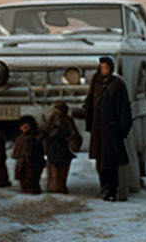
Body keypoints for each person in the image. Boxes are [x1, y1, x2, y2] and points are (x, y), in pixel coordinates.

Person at [83, 55, 132, 201]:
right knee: (100, 161)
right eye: (102, 67)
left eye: (106, 67)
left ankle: (112, 189)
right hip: (99, 129)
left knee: (111, 162)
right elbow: (91, 99)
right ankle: (104, 187)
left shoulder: (118, 84)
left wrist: (122, 127)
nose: (104, 70)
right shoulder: (96, 82)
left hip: (112, 130)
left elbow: (124, 107)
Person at [44, 101, 81, 193]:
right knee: (58, 171)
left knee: (56, 171)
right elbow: (74, 133)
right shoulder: (66, 120)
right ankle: (58, 188)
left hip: (59, 148)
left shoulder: (55, 119)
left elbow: (47, 132)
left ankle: (56, 188)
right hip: (59, 148)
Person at [13, 117, 45, 194]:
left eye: (25, 126)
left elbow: (38, 153)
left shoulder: (35, 138)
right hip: (23, 165)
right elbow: (16, 153)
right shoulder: (21, 138)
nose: (22, 128)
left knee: (32, 185)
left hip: (32, 165)